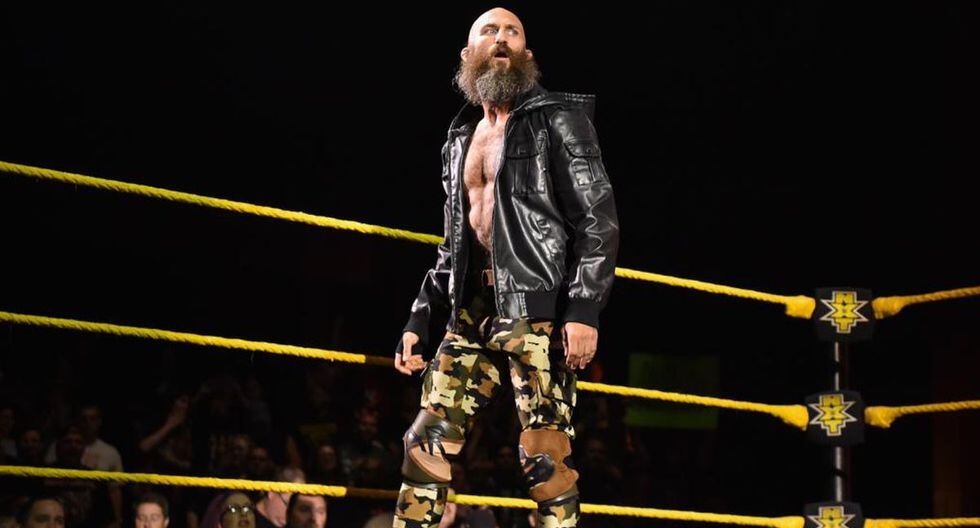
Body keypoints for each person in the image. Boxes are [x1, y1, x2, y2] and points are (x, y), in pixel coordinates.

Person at [392, 7, 619, 528]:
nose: (501, 38)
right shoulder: (459, 139)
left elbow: (598, 220)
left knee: (545, 460)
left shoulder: (559, 120)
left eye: (512, 32)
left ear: (527, 54)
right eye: (489, 31)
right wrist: (419, 317)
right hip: (470, 311)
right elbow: (454, 242)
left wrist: (584, 309)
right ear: (468, 54)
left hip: (537, 312)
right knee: (424, 444)